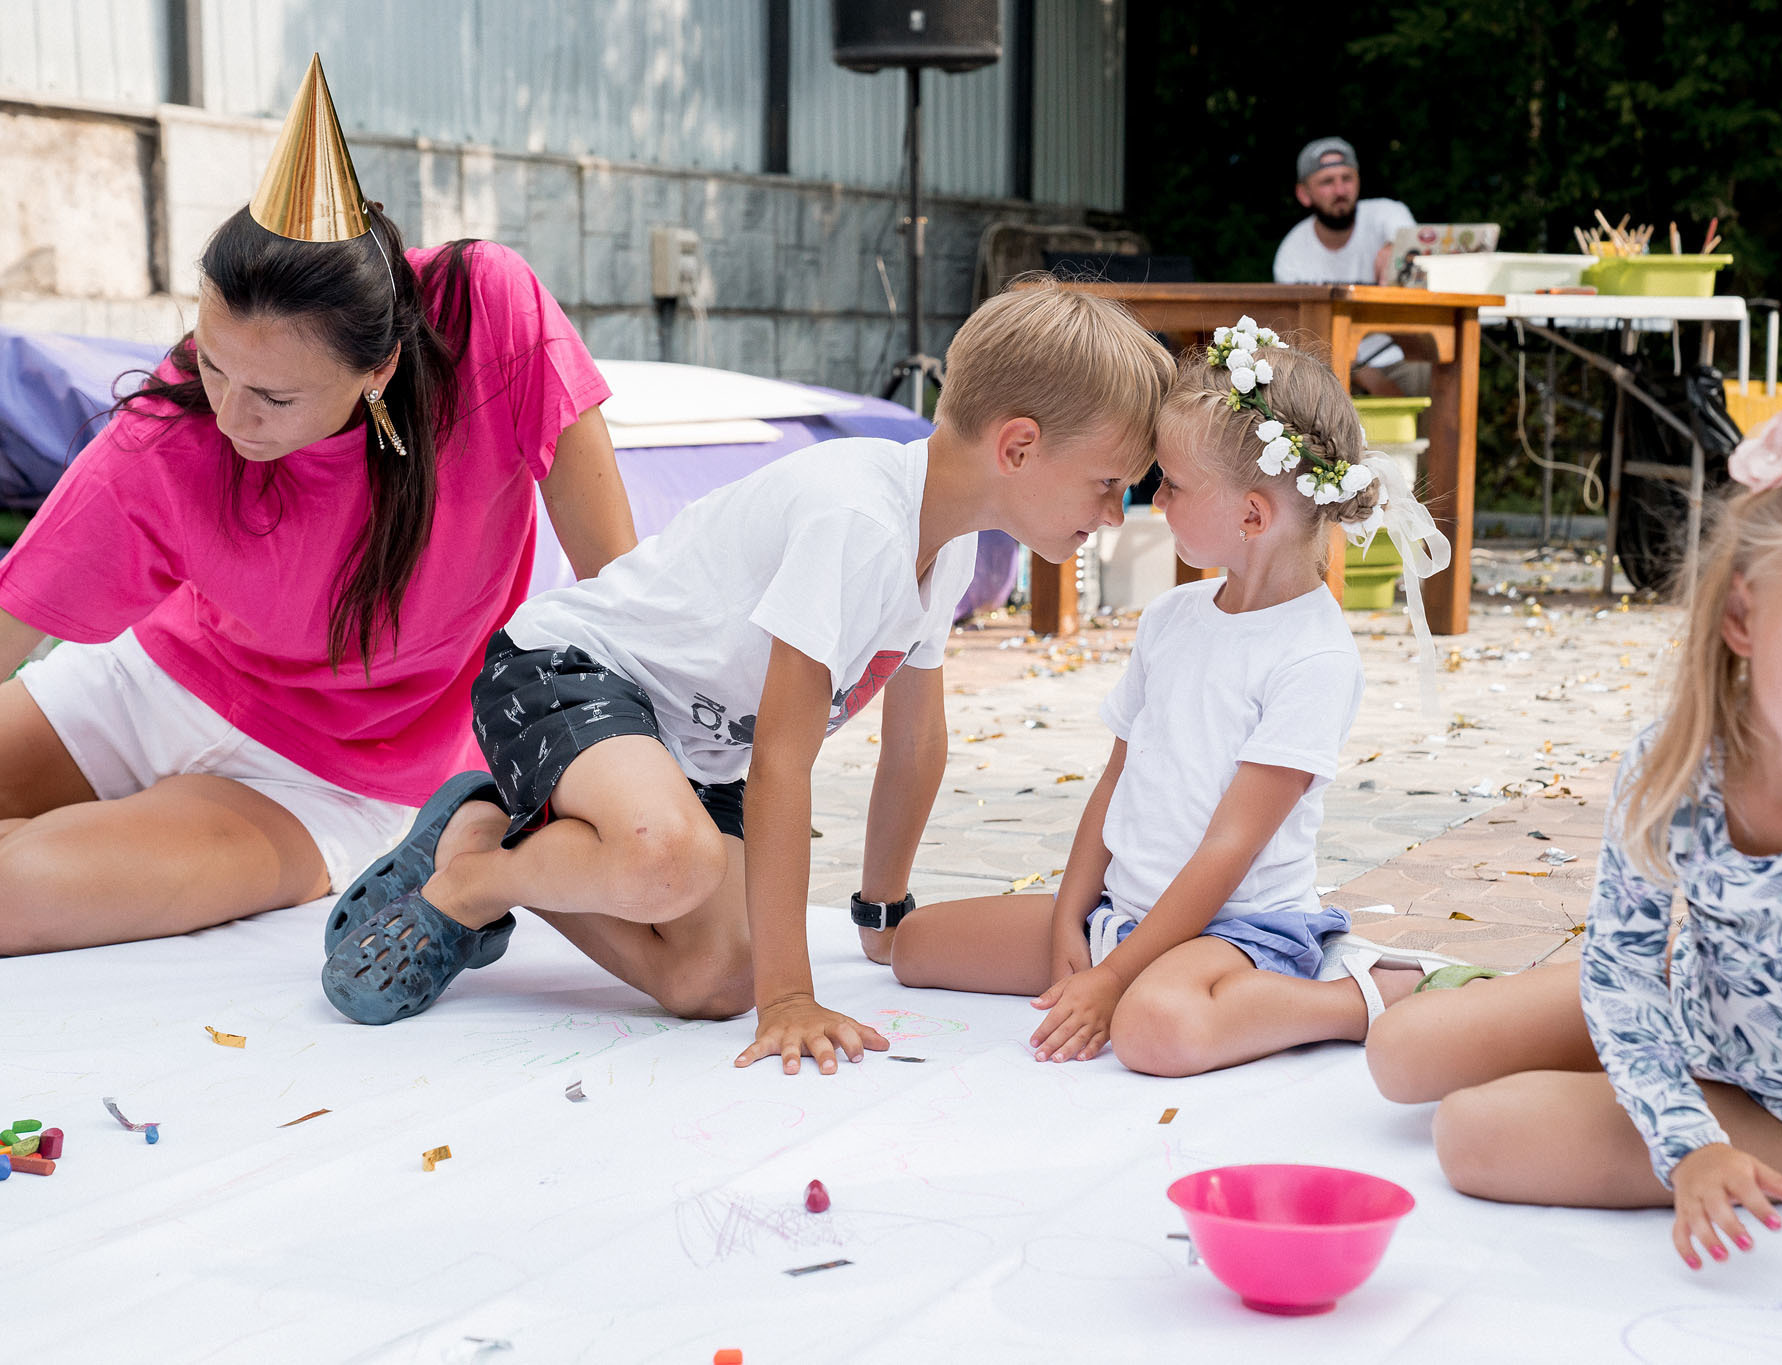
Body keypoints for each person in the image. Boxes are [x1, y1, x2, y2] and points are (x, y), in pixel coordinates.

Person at [316, 281, 1177, 1078]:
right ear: (1018, 446)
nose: (1112, 515)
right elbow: (782, 763)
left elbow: (915, 745)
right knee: (670, 862)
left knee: (715, 977)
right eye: (1107, 485)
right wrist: (792, 998)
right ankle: (472, 875)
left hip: (689, 752)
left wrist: (881, 918)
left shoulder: (944, 547)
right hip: (568, 675)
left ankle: (499, 830)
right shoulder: (856, 517)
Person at [1364, 398, 1782, 1363]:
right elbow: (1624, 969)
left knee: (1471, 1134)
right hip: (1694, 1017)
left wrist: (1692, 1143)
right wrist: (1672, 1118)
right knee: (1398, 1054)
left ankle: (1595, 1076)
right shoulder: (1673, 762)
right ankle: (1398, 991)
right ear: (1743, 614)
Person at [0, 58, 635, 955]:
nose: (228, 413)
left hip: (325, 776)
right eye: (213, 362)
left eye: (273, 395)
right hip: (154, 683)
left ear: (376, 371)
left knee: (15, 895)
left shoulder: (485, 314)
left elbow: (621, 586)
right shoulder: (173, 423)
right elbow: (10, 621)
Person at [880, 319, 1455, 1075]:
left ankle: (1362, 994)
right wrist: (1069, 925)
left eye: (1173, 486)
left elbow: (1228, 847)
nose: (1152, 499)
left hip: (1237, 929)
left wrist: (1112, 979)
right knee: (916, 950)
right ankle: (1133, 963)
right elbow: (1116, 780)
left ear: (1252, 515)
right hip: (1122, 912)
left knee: (1155, 1027)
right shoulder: (1171, 618)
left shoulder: (1312, 655)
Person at [1271, 137, 1425, 398]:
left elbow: (1412, 240)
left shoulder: (1386, 214)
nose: (1340, 190)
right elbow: (1301, 335)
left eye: (1347, 178)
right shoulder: (1292, 253)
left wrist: (1393, 248)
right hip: (1326, 366)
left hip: (1394, 355)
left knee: (1427, 369)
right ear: (1303, 194)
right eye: (1327, 182)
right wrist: (1368, 378)